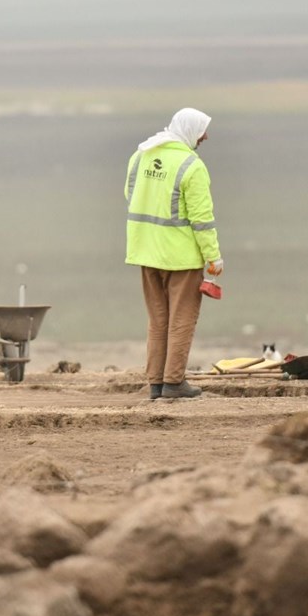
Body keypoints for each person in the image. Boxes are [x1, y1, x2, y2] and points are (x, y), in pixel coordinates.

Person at [124, 107, 223, 400]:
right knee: (182, 320)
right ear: (190, 130)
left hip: (145, 251)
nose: (205, 137)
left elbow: (131, 195)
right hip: (181, 257)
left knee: (158, 319)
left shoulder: (141, 154)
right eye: (202, 132)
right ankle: (174, 382)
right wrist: (213, 257)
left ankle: (156, 382)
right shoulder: (192, 166)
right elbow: (202, 219)